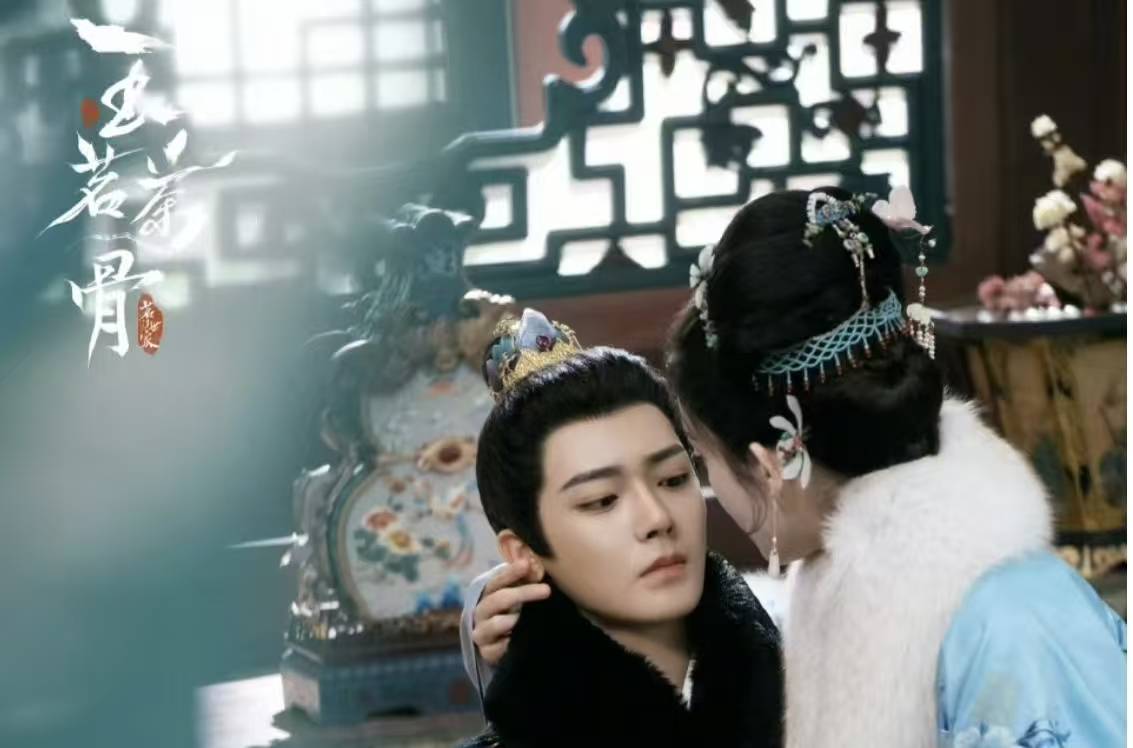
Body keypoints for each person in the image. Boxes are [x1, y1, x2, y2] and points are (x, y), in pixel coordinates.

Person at [468, 188, 1127, 747]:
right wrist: (534, 652)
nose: (657, 518)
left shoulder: (1016, 625)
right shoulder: (817, 601)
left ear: (768, 464)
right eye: (600, 501)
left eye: (685, 472)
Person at [458, 308, 783, 747]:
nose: (657, 519)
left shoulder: (816, 680)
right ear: (523, 552)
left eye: (673, 480)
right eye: (602, 501)